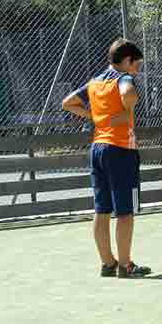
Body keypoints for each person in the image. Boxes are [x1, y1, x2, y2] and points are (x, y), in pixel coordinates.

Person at [63, 38, 152, 278]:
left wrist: (93, 116)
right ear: (126, 60)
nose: (137, 70)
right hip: (121, 150)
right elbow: (130, 94)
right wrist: (125, 111)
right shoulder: (124, 78)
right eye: (137, 64)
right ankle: (126, 265)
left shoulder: (94, 82)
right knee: (125, 211)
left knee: (101, 209)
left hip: (98, 149)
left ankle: (107, 263)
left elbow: (68, 102)